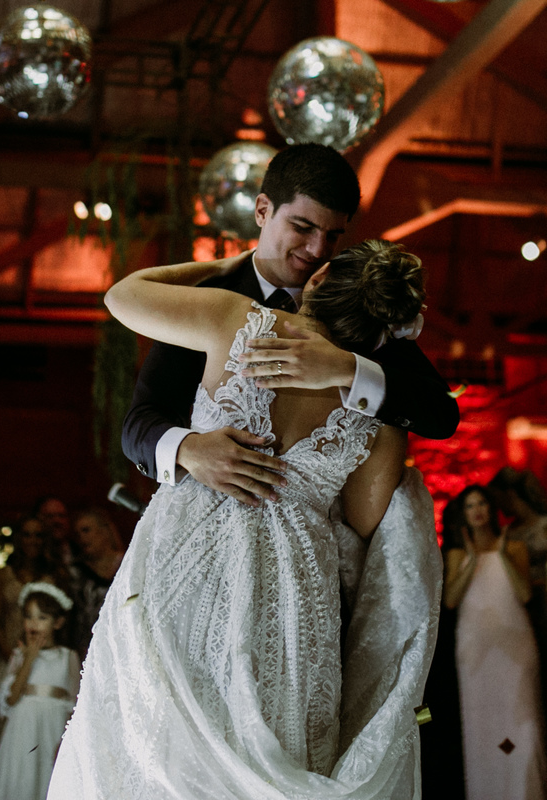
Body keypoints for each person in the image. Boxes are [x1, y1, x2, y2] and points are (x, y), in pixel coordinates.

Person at [50, 238, 442, 798]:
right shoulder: (378, 416)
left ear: (319, 278)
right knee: (277, 738)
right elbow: (363, 521)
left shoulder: (239, 319)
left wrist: (222, 266)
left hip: (186, 558)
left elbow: (123, 296)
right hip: (293, 592)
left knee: (157, 735)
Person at [121, 143, 458, 507]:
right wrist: (187, 448)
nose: (318, 249)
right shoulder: (211, 297)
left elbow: (441, 413)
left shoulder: (357, 302)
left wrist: (347, 369)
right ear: (263, 210)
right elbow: (140, 421)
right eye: (303, 227)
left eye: (333, 235)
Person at [442, 485, 547, 800]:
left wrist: (502, 556)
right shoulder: (457, 554)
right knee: (483, 728)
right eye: (470, 505)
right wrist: (473, 558)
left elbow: (526, 595)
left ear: (491, 508)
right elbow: (450, 600)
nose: (477, 510)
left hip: (515, 645)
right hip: (476, 649)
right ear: (464, 514)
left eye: (482, 503)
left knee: (523, 726)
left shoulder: (515, 547)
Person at [0, 517, 68, 800]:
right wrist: (15, 655)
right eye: (26, 534)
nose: (32, 541)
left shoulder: (54, 574)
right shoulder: (4, 574)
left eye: (38, 535)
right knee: (4, 737)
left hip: (49, 690)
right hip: (14, 655)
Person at [0, 584, 80, 800]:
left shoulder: (67, 657)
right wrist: (29, 658)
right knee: (23, 777)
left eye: (42, 617)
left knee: (46, 777)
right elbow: (11, 698)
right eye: (28, 617)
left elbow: (75, 703)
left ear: (58, 622)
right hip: (23, 727)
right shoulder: (20, 655)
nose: (33, 623)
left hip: (52, 727)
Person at [68, 508, 125, 656]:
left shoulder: (127, 565)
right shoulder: (75, 571)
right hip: (85, 652)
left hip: (122, 646)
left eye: (86, 530)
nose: (81, 537)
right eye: (77, 534)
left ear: (104, 530)